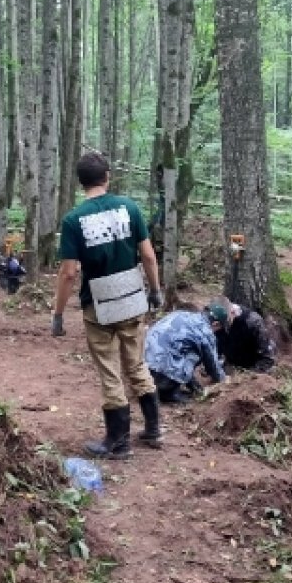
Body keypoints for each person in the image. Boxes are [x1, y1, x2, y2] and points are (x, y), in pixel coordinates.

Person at [52, 152, 163, 459]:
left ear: (80, 182)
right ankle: (154, 429)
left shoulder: (74, 220)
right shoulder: (129, 207)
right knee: (137, 363)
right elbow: (149, 256)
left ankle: (118, 441)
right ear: (107, 176)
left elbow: (69, 273)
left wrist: (58, 313)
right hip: (132, 295)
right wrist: (155, 290)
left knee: (109, 369)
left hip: (99, 302)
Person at [145, 307, 227, 403]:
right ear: (216, 324)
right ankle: (168, 393)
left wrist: (193, 384)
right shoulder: (206, 332)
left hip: (144, 362)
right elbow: (212, 366)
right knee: (196, 354)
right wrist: (224, 381)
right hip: (160, 370)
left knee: (184, 348)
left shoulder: (182, 313)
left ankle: (165, 385)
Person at [213, 301, 276, 373]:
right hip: (231, 362)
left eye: (222, 323)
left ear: (233, 313)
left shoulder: (253, 322)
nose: (218, 327)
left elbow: (267, 357)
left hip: (253, 365)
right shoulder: (218, 320)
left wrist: (250, 375)